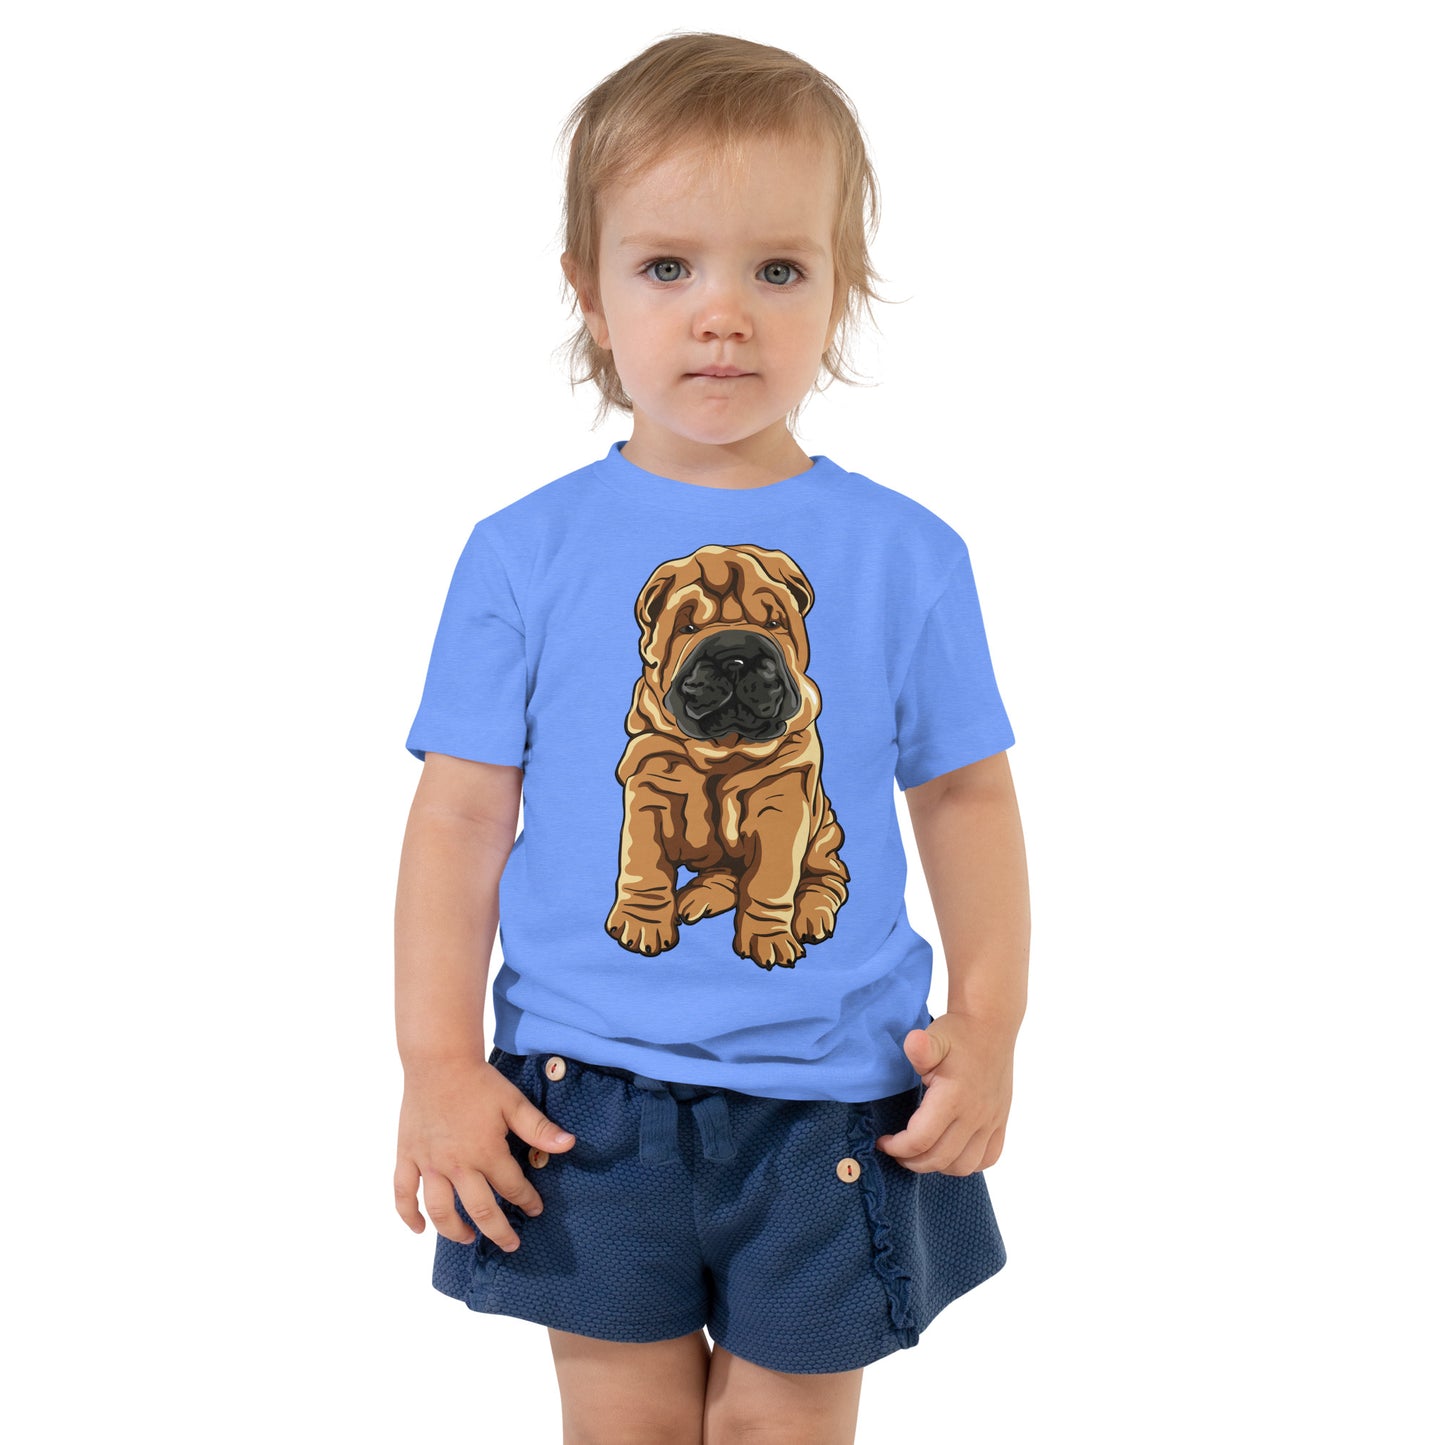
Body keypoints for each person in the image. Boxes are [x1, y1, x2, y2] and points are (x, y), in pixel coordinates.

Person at [394, 30, 1030, 1445]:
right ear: (590, 288)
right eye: (669, 266)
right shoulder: (522, 551)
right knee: (618, 1421)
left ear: (841, 288)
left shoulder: (905, 553)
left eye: (778, 270)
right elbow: (458, 818)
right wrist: (436, 1063)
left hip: (835, 1089)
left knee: (779, 1429)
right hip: (582, 1089)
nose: (722, 315)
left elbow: (968, 799)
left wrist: (988, 1024)